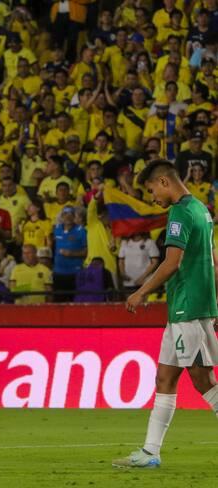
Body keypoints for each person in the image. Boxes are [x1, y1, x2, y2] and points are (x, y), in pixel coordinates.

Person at [114, 160, 218, 468]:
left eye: (151, 191)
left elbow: (172, 262)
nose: (153, 198)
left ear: (163, 181)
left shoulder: (180, 212)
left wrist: (141, 291)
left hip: (190, 307)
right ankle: (150, 453)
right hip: (184, 309)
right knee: (165, 378)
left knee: (203, 379)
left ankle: (150, 452)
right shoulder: (201, 209)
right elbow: (210, 259)